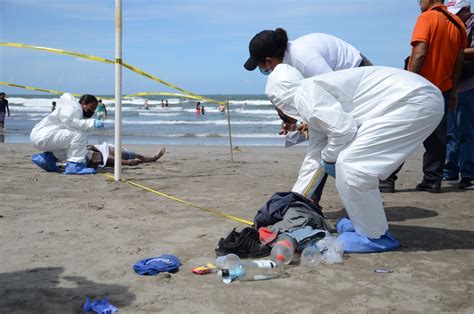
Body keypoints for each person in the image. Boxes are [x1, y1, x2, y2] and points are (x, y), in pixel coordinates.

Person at [266, 64, 443, 252]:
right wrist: (294, 202)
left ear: (279, 98)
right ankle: (365, 225)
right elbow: (314, 159)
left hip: (414, 101)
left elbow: (343, 131)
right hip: (415, 98)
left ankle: (374, 237)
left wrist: (329, 159)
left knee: (352, 166)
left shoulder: (304, 95)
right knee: (348, 164)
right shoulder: (311, 93)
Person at [244, 27, 372, 206]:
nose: (264, 71)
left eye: (261, 66)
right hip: (340, 84)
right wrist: (303, 121)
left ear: (268, 61)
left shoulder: (302, 59)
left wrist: (313, 122)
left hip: (358, 76)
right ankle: (310, 198)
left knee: (334, 137)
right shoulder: (287, 66)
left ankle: (316, 198)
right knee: (324, 139)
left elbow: (334, 91)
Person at [381, 0, 466, 193]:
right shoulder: (457, 24)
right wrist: (453, 90)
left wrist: (408, 82)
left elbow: (419, 52)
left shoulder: (426, 18)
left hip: (421, 87)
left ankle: (386, 179)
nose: (419, 2)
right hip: (443, 88)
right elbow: (458, 61)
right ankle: (432, 180)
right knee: (437, 136)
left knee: (402, 133)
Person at [30, 93, 104, 175]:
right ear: (84, 104)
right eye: (92, 108)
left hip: (42, 136)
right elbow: (69, 121)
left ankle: (48, 159)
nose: (93, 111)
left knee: (71, 144)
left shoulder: (72, 107)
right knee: (79, 134)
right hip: (44, 136)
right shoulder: (74, 107)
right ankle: (75, 166)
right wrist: (92, 123)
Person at [444, 0, 474, 190]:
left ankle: (469, 174)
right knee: (450, 133)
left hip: (468, 85)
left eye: (456, 13)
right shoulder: (455, 26)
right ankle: (450, 171)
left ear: (467, 10)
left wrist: (454, 52)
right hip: (452, 85)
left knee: (466, 133)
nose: (453, 17)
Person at [86, 143, 166, 168]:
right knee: (137, 157)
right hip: (105, 152)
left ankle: (153, 158)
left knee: (137, 156)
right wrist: (128, 162)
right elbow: (106, 158)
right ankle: (153, 158)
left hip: (103, 149)